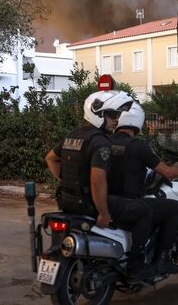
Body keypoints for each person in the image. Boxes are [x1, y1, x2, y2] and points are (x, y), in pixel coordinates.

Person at [44, 90, 156, 282]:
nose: (116, 119)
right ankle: (136, 265)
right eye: (111, 115)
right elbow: (97, 181)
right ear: (98, 114)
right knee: (144, 211)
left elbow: (51, 158)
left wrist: (67, 182)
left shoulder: (73, 135)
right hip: (89, 202)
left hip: (67, 201)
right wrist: (103, 213)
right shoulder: (100, 142)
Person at [108, 102, 178, 275]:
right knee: (174, 209)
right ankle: (162, 260)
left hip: (106, 202)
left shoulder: (104, 142)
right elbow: (168, 172)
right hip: (128, 203)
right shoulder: (138, 146)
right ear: (137, 122)